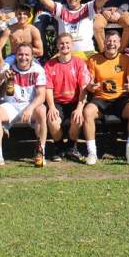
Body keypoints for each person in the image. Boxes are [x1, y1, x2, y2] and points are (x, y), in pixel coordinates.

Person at [80, 29, 129, 165]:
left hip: (120, 99)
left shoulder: (126, 60)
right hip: (100, 98)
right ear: (104, 42)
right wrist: (91, 87)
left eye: (114, 41)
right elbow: (88, 83)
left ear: (119, 43)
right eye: (108, 41)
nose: (111, 44)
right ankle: (92, 152)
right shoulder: (94, 59)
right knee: (87, 112)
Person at [0, 44, 48, 168]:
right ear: (15, 55)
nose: (23, 57)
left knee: (42, 110)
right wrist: (3, 75)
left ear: (32, 57)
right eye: (20, 54)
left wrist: (30, 108)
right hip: (12, 105)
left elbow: (41, 96)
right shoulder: (8, 67)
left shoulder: (38, 69)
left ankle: (41, 152)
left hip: (30, 105)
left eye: (27, 55)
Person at [28, 0, 119, 57]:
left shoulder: (88, 7)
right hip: (65, 54)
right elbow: (47, 2)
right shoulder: (61, 9)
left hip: (87, 54)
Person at [43, 33, 90, 161]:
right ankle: (59, 148)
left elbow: (84, 88)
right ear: (57, 45)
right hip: (57, 101)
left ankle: (71, 147)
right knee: (53, 121)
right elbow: (48, 88)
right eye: (61, 43)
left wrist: (80, 108)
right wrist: (51, 107)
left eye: (67, 43)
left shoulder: (79, 63)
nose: (65, 46)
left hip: (75, 101)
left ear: (72, 45)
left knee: (78, 118)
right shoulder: (49, 64)